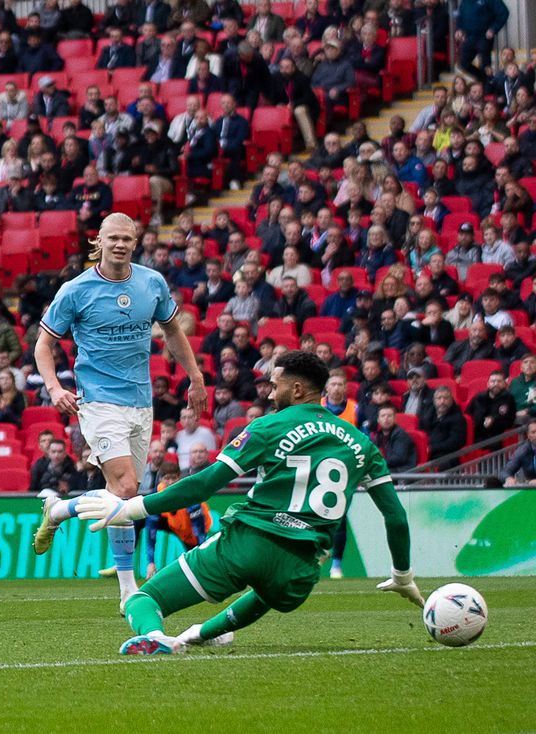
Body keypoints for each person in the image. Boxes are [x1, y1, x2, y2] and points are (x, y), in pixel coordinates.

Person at [75, 351, 423, 655]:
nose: (271, 393)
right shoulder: (363, 443)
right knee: (267, 593)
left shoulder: (268, 427)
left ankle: (154, 636)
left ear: (298, 389)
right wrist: (402, 575)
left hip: (246, 545)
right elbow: (394, 516)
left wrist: (131, 508)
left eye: (276, 385)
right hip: (301, 567)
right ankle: (199, 633)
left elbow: (204, 483)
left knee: (142, 600)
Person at [32, 212, 207, 611]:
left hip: (140, 402)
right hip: (97, 400)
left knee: (122, 495)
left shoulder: (151, 283)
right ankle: (129, 590)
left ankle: (58, 508)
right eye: (113, 238)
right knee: (127, 487)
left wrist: (195, 377)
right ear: (99, 240)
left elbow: (174, 331)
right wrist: (55, 387)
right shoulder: (76, 291)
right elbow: (44, 345)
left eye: (127, 238)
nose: (120, 245)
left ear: (135, 241)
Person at [500, 421, 536, 486]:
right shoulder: (523, 450)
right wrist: (508, 478)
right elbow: (505, 472)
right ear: (528, 435)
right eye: (533, 432)